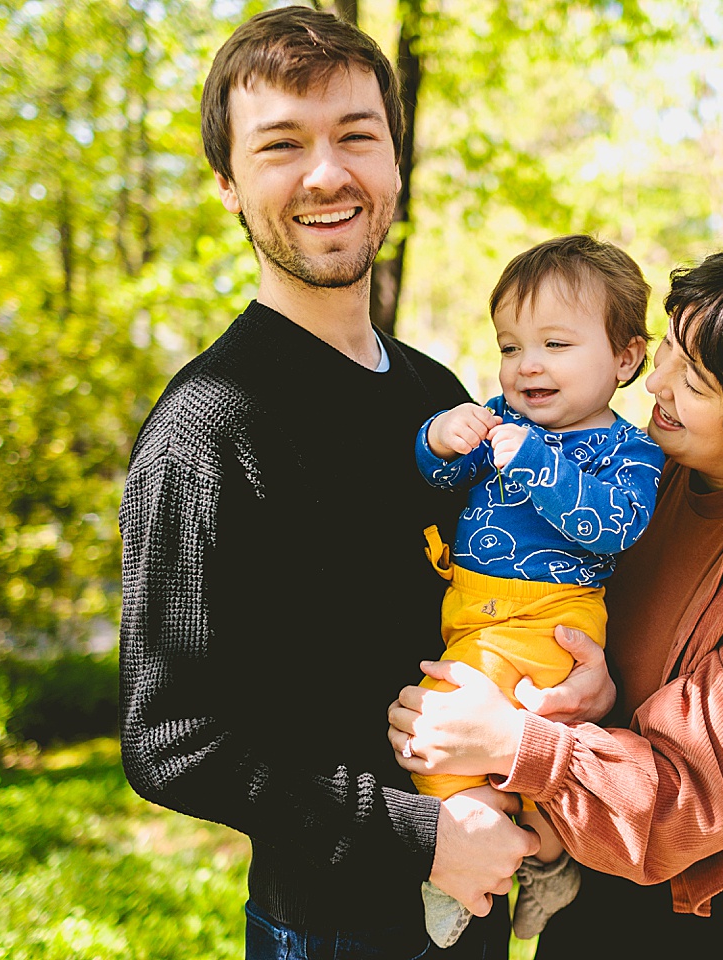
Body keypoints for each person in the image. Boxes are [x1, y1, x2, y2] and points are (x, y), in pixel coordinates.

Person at [117, 8, 539, 958]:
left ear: (395, 162)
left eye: (357, 135)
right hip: (337, 928)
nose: (327, 173)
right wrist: (425, 837)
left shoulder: (437, 392)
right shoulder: (210, 426)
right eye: (281, 146)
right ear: (227, 183)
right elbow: (172, 739)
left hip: (475, 897)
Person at [389, 240, 723, 958]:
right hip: (602, 850)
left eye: (694, 381)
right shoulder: (660, 473)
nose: (654, 385)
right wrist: (593, 694)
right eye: (668, 348)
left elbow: (694, 799)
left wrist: (513, 741)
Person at [411, 235, 665, 946]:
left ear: (624, 357)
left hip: (551, 621)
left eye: (555, 343)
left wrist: (538, 465)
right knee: (473, 740)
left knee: (445, 728)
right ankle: (545, 859)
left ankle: (462, 867)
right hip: (472, 613)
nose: (527, 365)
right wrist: (441, 437)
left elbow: (613, 525)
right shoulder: (500, 419)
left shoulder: (629, 451)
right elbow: (439, 483)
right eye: (510, 346)